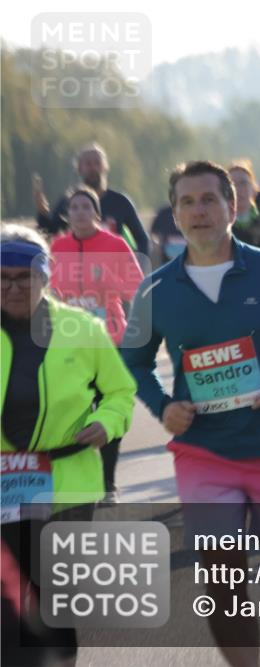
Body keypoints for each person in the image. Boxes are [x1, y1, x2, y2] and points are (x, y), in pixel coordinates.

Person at [120, 161, 260, 665]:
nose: (199, 211)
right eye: (187, 202)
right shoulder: (156, 290)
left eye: (209, 200)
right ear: (174, 214)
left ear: (232, 207)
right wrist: (162, 405)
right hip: (205, 453)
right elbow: (133, 357)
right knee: (221, 579)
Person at [2, 224, 136, 664]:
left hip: (68, 479)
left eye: (24, 275)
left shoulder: (81, 328)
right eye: (2, 276)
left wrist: (106, 421)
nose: (13, 285)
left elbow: (119, 391)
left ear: (45, 276)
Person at [49, 186, 144, 504]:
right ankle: (76, 481)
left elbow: (137, 290)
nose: (79, 212)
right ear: (67, 214)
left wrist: (109, 283)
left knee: (107, 409)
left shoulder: (114, 245)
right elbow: (44, 292)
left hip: (109, 339)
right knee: (73, 409)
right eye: (73, 207)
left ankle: (107, 483)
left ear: (97, 214)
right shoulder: (57, 247)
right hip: (69, 341)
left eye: (86, 207)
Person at [33, 142, 150, 257]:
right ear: (79, 168)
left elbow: (142, 239)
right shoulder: (69, 202)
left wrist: (136, 266)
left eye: (97, 163)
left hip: (112, 270)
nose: (93, 168)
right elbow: (49, 235)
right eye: (88, 164)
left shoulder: (121, 202)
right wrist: (42, 212)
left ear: (106, 167)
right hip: (78, 269)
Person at [150, 204, 186, 268]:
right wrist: (157, 245)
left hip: (187, 252)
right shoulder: (164, 212)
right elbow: (154, 232)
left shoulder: (189, 211)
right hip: (166, 253)